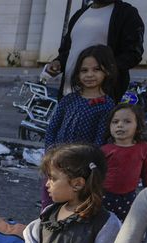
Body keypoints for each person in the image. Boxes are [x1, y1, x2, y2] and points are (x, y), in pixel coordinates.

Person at [42, 45, 117, 208]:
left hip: (79, 170)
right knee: (49, 204)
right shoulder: (69, 99)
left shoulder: (107, 105)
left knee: (73, 207)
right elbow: (52, 128)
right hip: (56, 164)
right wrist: (50, 156)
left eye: (96, 69)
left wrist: (83, 167)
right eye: (84, 70)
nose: (90, 74)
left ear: (107, 71)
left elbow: (98, 142)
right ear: (77, 73)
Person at [46, 0, 144, 100]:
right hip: (68, 94)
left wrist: (105, 69)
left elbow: (134, 53)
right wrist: (58, 62)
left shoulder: (126, 13)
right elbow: (67, 50)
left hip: (101, 97)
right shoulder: (79, 14)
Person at [101, 104, 147, 221]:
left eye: (127, 121)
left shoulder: (142, 148)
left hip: (129, 197)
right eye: (115, 122)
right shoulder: (105, 150)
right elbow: (96, 174)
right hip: (104, 196)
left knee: (124, 227)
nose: (120, 125)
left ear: (138, 127)